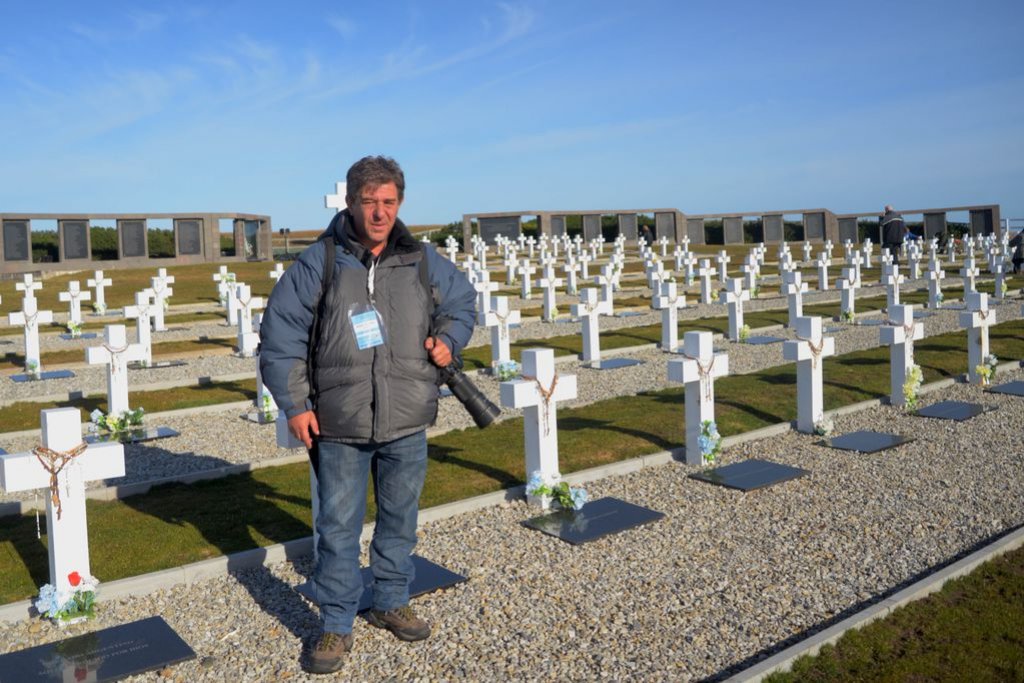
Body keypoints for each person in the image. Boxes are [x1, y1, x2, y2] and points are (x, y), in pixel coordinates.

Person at [259, 156, 476, 675]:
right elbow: (281, 336)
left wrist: (448, 340)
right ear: (353, 202)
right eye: (369, 201)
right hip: (340, 424)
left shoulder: (421, 260)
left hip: (406, 418)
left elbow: (463, 304)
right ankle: (335, 622)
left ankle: (391, 599)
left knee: (400, 521)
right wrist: (294, 404)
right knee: (337, 528)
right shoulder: (321, 261)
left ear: (399, 203)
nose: (379, 212)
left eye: (388, 202)